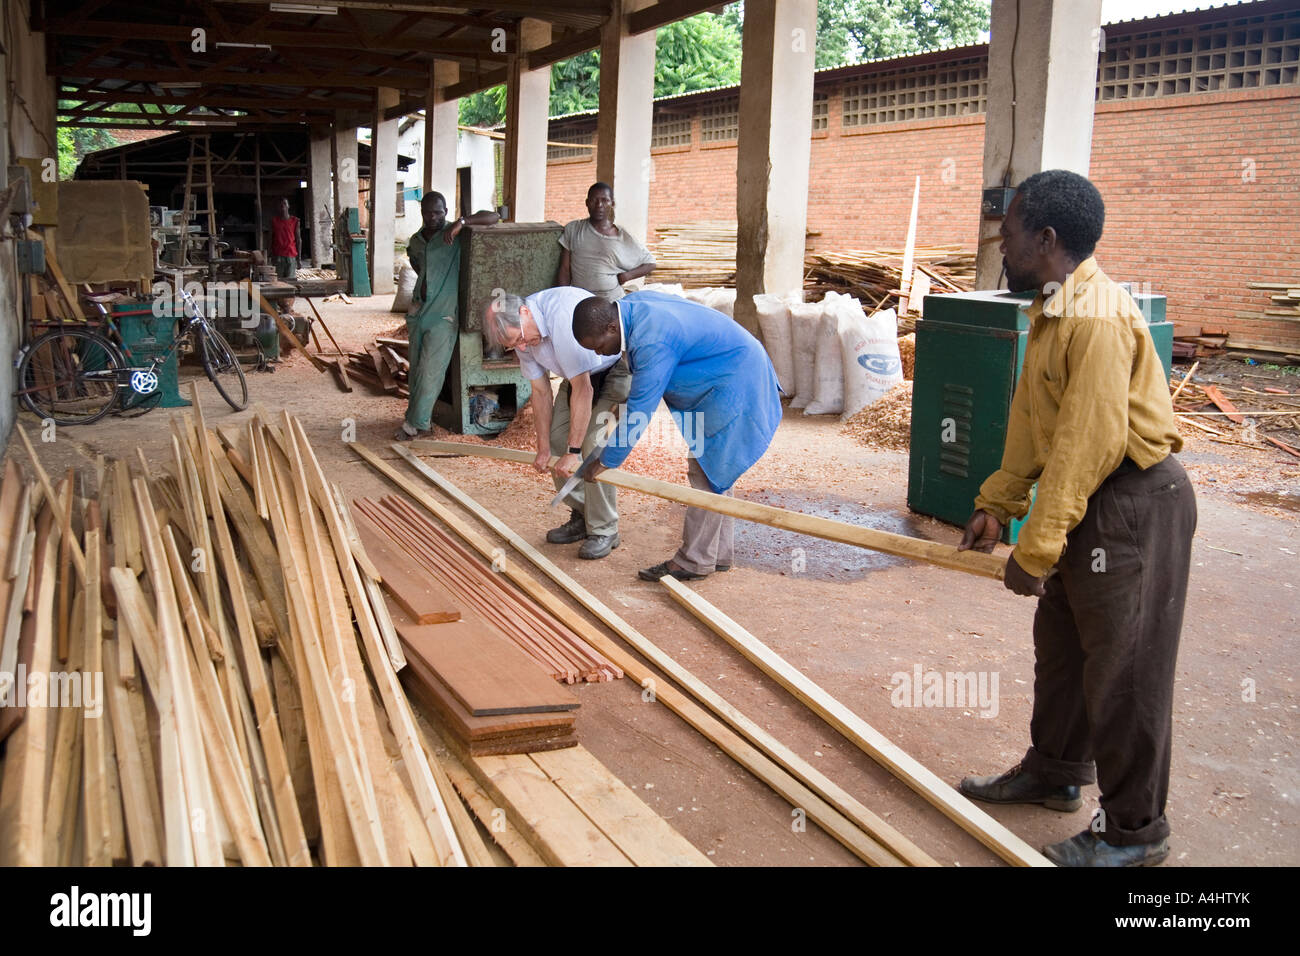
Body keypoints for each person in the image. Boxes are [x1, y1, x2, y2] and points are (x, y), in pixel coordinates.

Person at [954, 170, 1196, 868]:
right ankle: (1055, 772)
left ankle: (1134, 833)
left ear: (1046, 238)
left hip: (1133, 502)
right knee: (1062, 647)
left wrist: (1037, 547)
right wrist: (997, 505)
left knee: (1126, 672)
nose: (1003, 250)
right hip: (1091, 496)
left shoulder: (1095, 319)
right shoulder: (1052, 309)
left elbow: (1087, 445)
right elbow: (1036, 430)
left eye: (1009, 237)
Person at [572, 290, 782, 581]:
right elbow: (641, 391)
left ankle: (693, 561)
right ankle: (716, 554)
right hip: (728, 371)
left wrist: (605, 461)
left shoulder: (652, 340)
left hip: (736, 379)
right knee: (717, 470)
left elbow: (640, 413)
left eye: (598, 346)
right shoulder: (632, 308)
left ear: (611, 328)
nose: (598, 353)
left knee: (707, 468)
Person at [484, 288, 631, 559]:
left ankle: (604, 529)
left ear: (524, 312)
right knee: (554, 441)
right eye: (514, 345)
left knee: (591, 444)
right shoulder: (524, 338)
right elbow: (540, 392)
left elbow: (584, 389)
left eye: (520, 339)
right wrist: (542, 448)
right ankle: (582, 515)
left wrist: (573, 452)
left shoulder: (561, 316)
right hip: (575, 376)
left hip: (611, 370)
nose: (523, 347)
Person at [396, 192, 499, 441]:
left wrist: (461, 222)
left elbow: (494, 217)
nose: (433, 217)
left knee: (431, 370)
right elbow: (418, 264)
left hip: (444, 315)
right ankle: (415, 419)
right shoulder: (416, 240)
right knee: (417, 370)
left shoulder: (456, 233)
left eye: (438, 212)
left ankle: (417, 425)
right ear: (421, 212)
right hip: (419, 312)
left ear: (445, 210)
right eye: (428, 212)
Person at [557, 182, 656, 301]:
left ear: (612, 204)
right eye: (594, 200)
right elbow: (564, 269)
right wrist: (562, 297)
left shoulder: (621, 235)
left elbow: (650, 263)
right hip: (581, 300)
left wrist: (627, 276)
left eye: (605, 200)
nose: (599, 205)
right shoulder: (573, 229)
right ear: (587, 203)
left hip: (611, 300)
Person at [270, 198, 301, 280]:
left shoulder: (295, 221)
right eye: (280, 205)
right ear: (278, 208)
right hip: (278, 256)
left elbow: (298, 240)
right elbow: (270, 239)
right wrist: (270, 256)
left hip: (291, 255)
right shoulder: (274, 221)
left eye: (284, 203)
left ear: (288, 206)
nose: (282, 206)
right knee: (278, 281)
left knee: (290, 281)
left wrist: (299, 259)